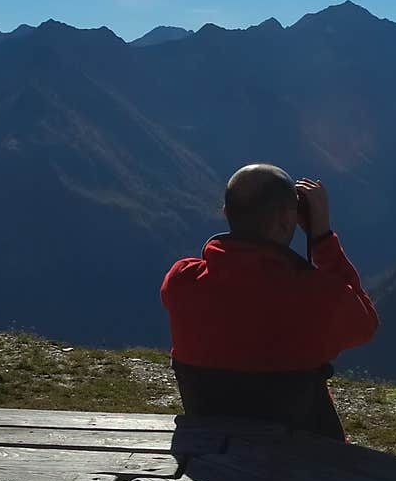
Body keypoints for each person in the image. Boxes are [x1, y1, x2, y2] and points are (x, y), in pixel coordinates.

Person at [161, 165, 379, 439]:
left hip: (210, 453)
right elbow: (366, 323)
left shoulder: (182, 282)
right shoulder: (315, 295)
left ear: (227, 213)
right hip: (302, 463)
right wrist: (321, 237)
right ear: (287, 221)